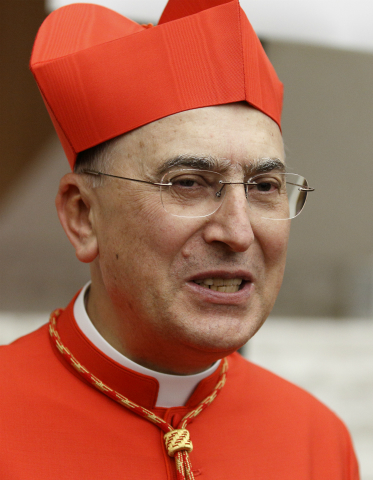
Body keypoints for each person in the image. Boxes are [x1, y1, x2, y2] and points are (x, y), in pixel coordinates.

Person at [0, 0, 359, 479]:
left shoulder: (315, 437)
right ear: (83, 215)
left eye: (264, 187)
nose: (236, 231)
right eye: (188, 183)